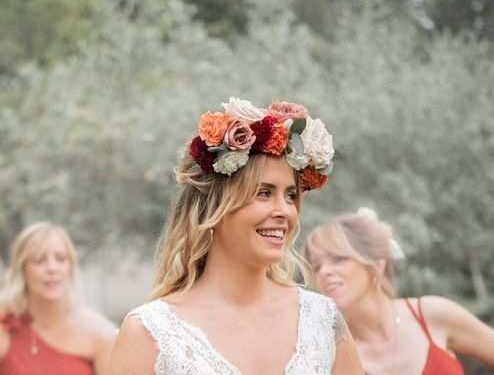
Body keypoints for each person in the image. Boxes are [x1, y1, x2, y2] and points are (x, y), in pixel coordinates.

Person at [108, 97, 363, 375]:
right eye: (263, 193)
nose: (284, 211)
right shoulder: (150, 333)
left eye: (290, 196)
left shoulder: (323, 321)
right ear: (213, 208)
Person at [301, 208, 494, 375]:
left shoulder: (432, 314)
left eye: (339, 258)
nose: (325, 272)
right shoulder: (334, 352)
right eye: (317, 267)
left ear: (377, 263)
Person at [0, 221, 117, 375]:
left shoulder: (100, 332)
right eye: (39, 260)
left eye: (60, 259)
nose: (52, 268)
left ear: (71, 266)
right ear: (22, 269)